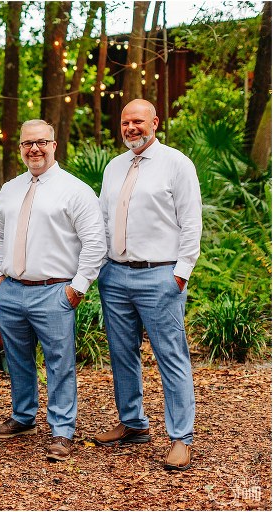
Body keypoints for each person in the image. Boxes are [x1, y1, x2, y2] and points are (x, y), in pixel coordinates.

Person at [0, 120, 106, 462]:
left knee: (59, 363)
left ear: (54, 144)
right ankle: (23, 417)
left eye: (41, 142)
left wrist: (77, 289)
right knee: (17, 359)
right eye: (27, 143)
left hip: (54, 292)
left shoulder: (75, 190)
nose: (34, 149)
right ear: (20, 148)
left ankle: (62, 430)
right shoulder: (10, 188)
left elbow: (95, 243)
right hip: (12, 291)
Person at [93, 99, 202, 471]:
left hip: (161, 275)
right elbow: (104, 221)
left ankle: (181, 437)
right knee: (122, 354)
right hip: (116, 275)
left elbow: (191, 222)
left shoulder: (176, 164)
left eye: (137, 121)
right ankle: (133, 423)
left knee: (171, 357)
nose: (131, 128)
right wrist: (101, 268)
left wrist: (181, 272)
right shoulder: (113, 167)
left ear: (155, 122)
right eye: (125, 122)